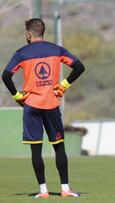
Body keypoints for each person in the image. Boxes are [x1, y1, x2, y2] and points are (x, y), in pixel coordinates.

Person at [2, 18, 85, 198]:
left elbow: (6, 75)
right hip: (51, 104)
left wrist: (17, 96)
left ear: (29, 34)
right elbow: (79, 67)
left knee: (36, 150)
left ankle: (43, 191)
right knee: (59, 147)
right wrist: (63, 85)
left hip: (31, 106)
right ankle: (65, 189)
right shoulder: (56, 49)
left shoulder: (21, 53)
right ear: (43, 32)